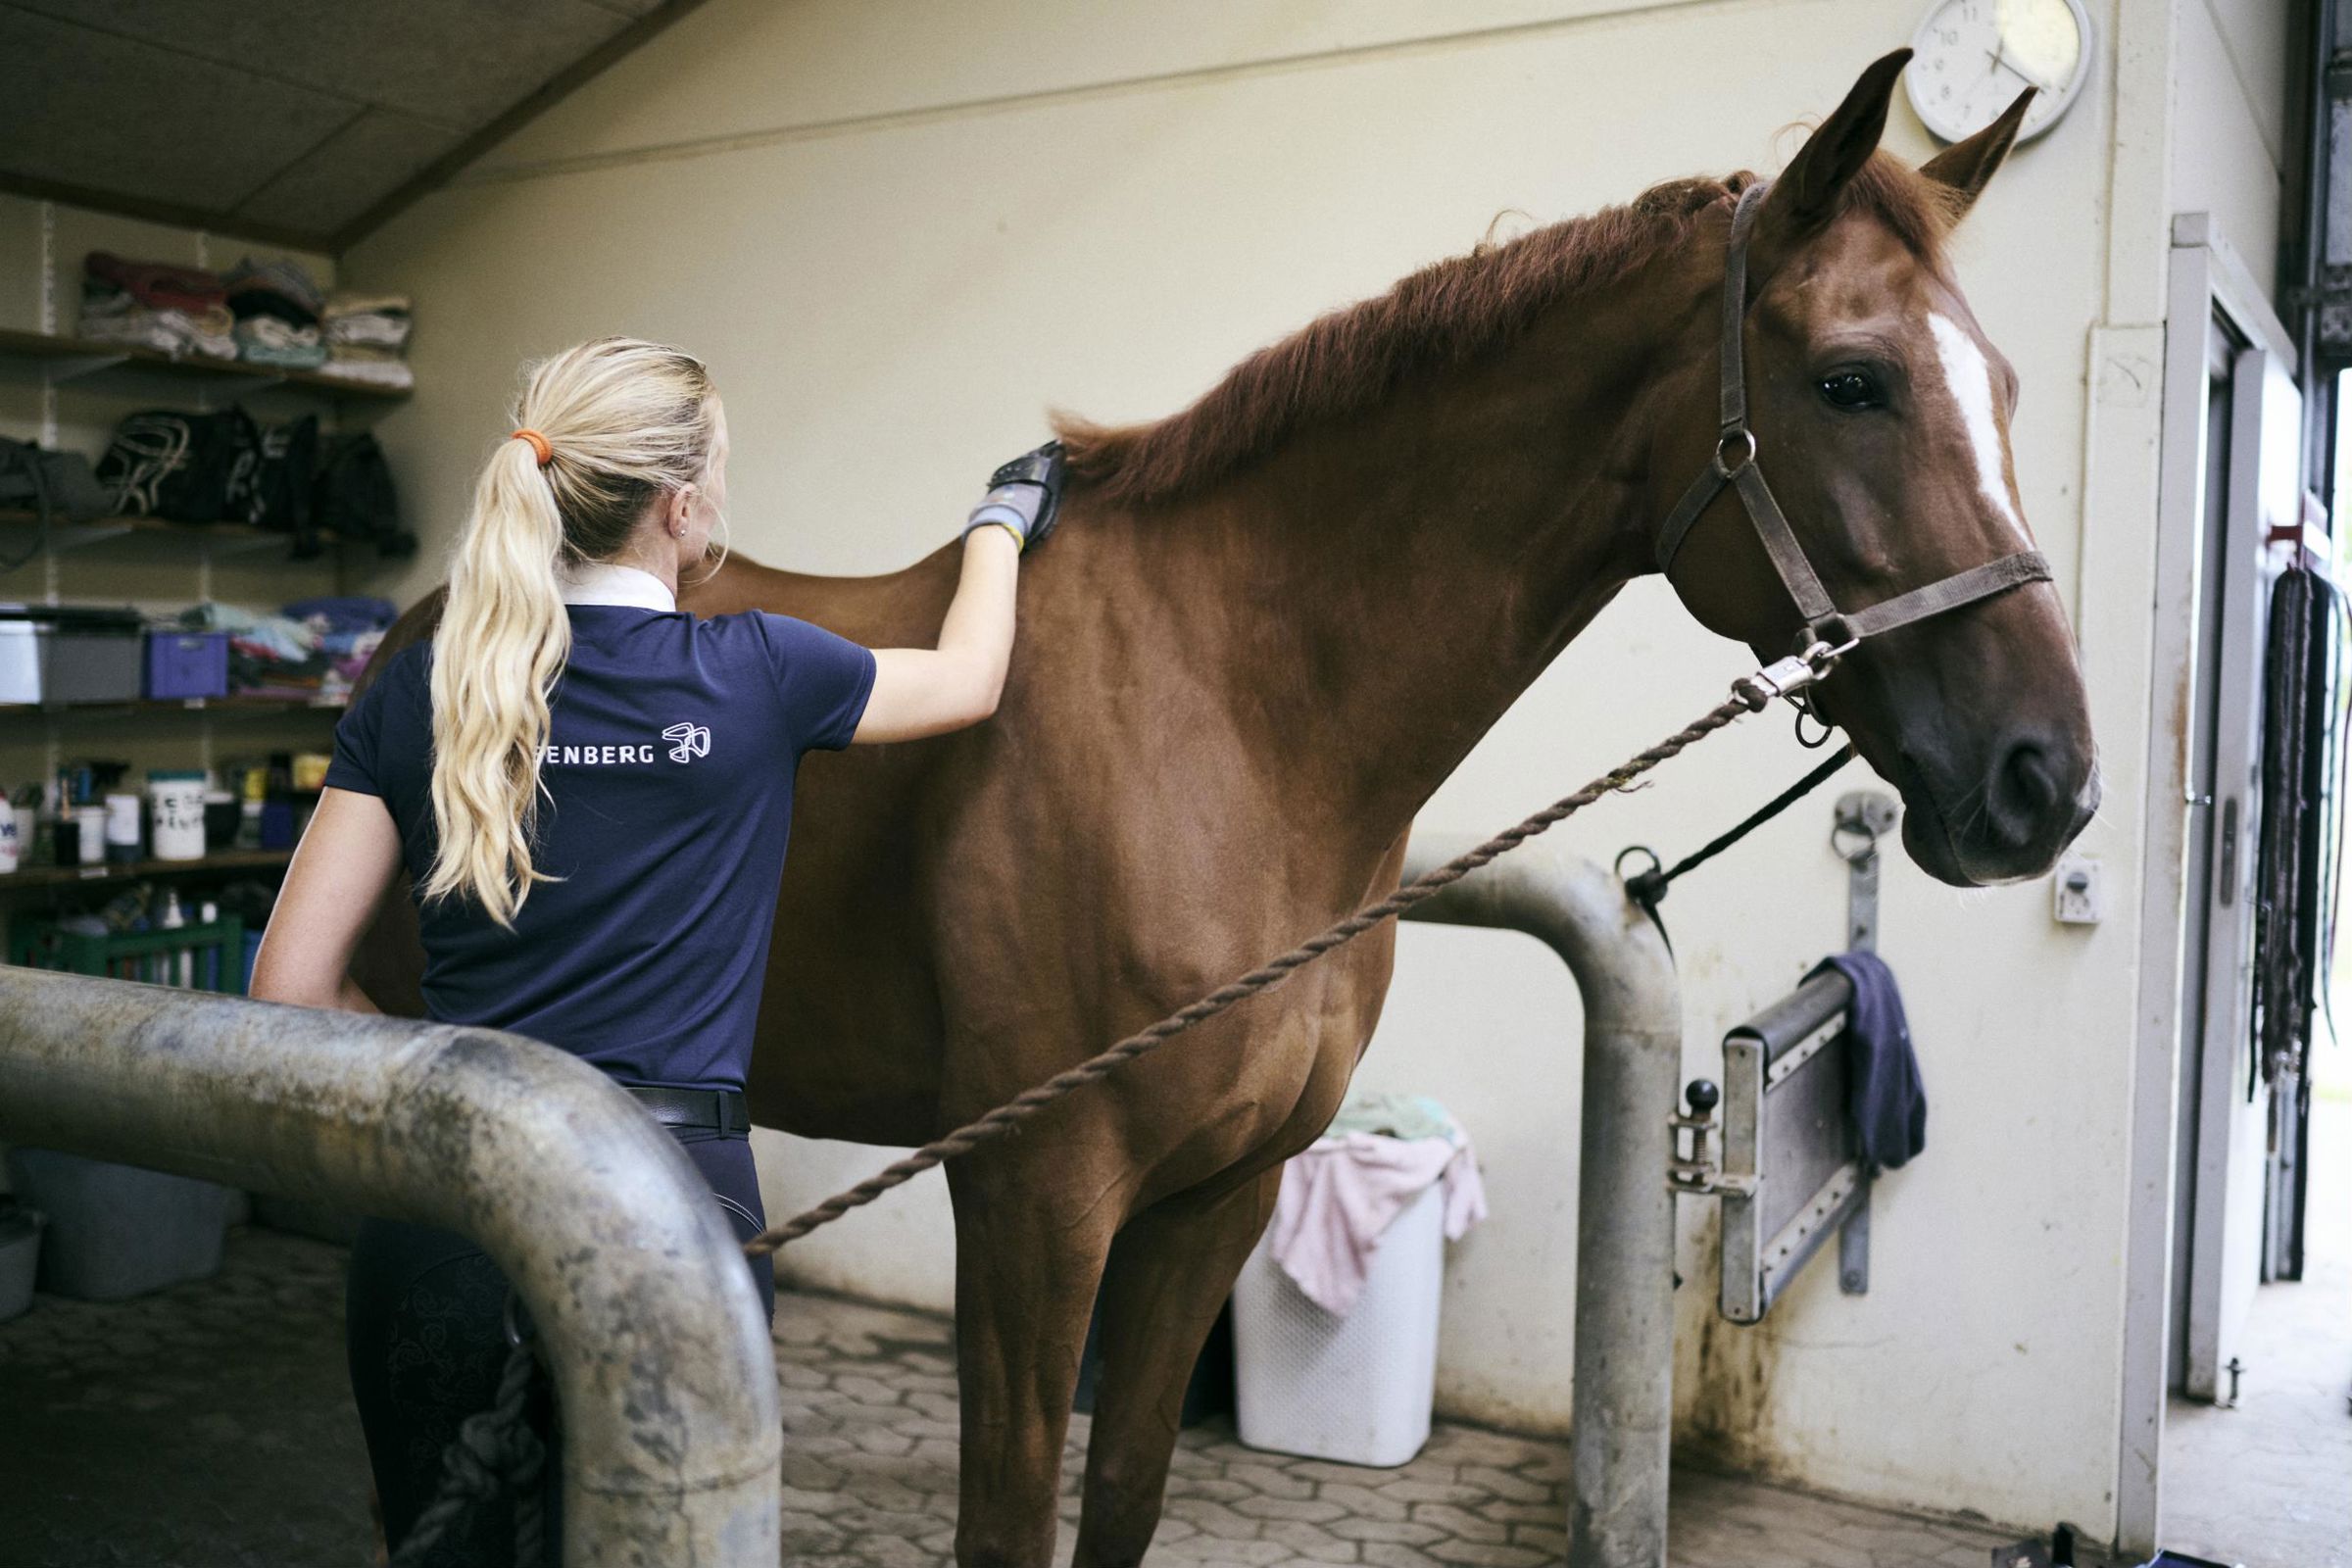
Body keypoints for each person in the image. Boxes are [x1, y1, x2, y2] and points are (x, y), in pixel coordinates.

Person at [249, 336, 1061, 1563]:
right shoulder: (761, 672)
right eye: (718, 475)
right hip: (673, 1221)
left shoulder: (423, 689)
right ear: (680, 508)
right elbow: (969, 678)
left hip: (444, 1215)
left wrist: (456, 1114)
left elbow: (289, 989)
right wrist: (998, 523)